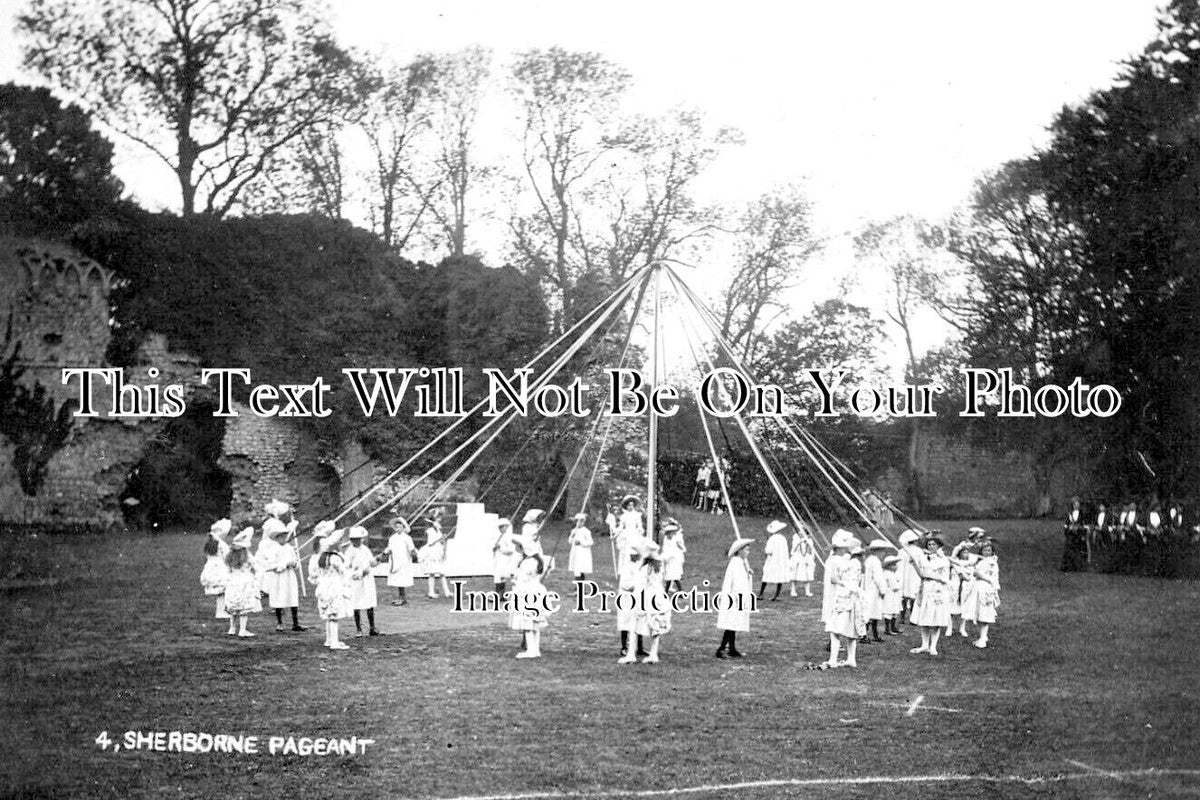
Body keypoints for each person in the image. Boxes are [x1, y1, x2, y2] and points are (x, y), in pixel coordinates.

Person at [625, 538, 672, 664]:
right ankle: (653, 653)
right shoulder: (658, 567)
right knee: (655, 625)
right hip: (657, 598)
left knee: (634, 624)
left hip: (645, 598)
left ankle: (631, 654)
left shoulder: (645, 568)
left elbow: (639, 585)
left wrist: (630, 589)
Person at [823, 530, 863, 668]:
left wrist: (840, 582)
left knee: (835, 630)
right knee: (851, 630)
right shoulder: (854, 563)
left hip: (843, 599)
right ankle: (851, 659)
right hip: (853, 598)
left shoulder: (847, 563)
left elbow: (835, 579)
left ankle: (833, 660)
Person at [261, 517, 306, 633]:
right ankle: (280, 622)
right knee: (278, 597)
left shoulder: (289, 548)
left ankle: (295, 623)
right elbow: (270, 565)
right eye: (281, 536)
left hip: (289, 576)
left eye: (285, 536)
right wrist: (284, 564)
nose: (284, 538)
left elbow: (295, 561)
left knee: (292, 597)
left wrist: (294, 564)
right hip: (279, 577)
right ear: (276, 538)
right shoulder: (272, 549)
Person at [310, 527, 352, 650]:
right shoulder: (335, 558)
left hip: (323, 587)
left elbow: (315, 574)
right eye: (339, 543)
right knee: (334, 615)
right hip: (334, 587)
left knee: (329, 615)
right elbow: (344, 571)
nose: (340, 545)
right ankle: (334, 642)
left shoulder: (321, 558)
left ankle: (329, 640)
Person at [909, 534, 951, 656]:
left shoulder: (944, 560)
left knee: (936, 618)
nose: (931, 546)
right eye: (929, 544)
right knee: (925, 618)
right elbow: (922, 574)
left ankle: (933, 646)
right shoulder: (926, 558)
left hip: (938, 590)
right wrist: (914, 564)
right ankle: (924, 645)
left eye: (934, 544)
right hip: (926, 589)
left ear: (939, 546)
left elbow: (943, 578)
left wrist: (927, 573)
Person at [509, 546, 552, 659]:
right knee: (534, 624)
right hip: (535, 590)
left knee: (527, 623)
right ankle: (535, 649)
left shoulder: (528, 562)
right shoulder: (536, 561)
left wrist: (515, 581)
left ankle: (531, 651)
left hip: (527, 592)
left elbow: (524, 578)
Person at [716, 537, 755, 658]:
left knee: (733, 623)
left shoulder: (738, 562)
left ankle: (732, 648)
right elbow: (738, 583)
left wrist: (748, 575)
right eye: (746, 550)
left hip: (734, 597)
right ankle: (721, 649)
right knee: (731, 623)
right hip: (734, 598)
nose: (748, 552)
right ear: (740, 551)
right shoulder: (736, 563)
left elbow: (742, 580)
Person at [223, 527, 262, 638]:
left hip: (233, 582)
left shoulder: (229, 556)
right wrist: (255, 578)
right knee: (243, 608)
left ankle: (232, 628)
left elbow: (227, 570)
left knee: (234, 607)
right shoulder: (248, 556)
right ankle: (242, 630)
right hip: (245, 582)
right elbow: (258, 568)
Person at [963, 539, 1000, 648]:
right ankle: (983, 636)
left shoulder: (992, 562)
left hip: (986, 590)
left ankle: (983, 639)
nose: (987, 553)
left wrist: (978, 574)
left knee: (984, 614)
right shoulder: (980, 560)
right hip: (977, 588)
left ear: (992, 552)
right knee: (979, 613)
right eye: (985, 550)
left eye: (989, 551)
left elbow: (991, 578)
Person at [346, 526, 379, 637]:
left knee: (369, 602)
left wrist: (376, 560)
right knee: (356, 603)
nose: (357, 541)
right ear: (351, 540)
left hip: (367, 578)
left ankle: (372, 628)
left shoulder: (365, 549)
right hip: (356, 580)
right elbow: (347, 567)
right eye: (355, 539)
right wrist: (357, 573)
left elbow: (371, 562)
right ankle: (358, 629)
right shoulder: (349, 551)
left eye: (359, 539)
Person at [200, 518, 232, 628]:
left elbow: (207, 557)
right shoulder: (221, 544)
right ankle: (221, 611)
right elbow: (227, 557)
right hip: (220, 567)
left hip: (211, 567)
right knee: (223, 590)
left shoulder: (210, 542)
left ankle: (222, 610)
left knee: (221, 591)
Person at [862, 539, 891, 643]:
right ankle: (863, 635)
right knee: (869, 612)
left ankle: (874, 634)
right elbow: (878, 577)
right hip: (873, 590)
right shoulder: (875, 561)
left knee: (873, 613)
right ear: (875, 551)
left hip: (869, 589)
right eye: (882, 551)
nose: (883, 553)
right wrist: (883, 590)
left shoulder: (870, 560)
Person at [384, 517, 417, 606]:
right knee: (397, 580)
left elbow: (411, 548)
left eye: (400, 527)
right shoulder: (393, 538)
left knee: (402, 580)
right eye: (396, 527)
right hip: (395, 561)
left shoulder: (407, 538)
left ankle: (402, 598)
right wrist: (387, 551)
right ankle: (401, 597)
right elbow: (390, 547)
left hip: (404, 561)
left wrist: (413, 554)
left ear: (403, 527)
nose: (398, 529)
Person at [420, 507, 451, 599]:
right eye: (437, 518)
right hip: (432, 552)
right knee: (432, 573)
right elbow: (431, 543)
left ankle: (447, 592)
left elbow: (441, 542)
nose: (439, 520)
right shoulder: (429, 531)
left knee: (442, 573)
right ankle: (431, 592)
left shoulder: (438, 530)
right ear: (433, 520)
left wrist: (443, 539)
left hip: (438, 551)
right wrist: (440, 539)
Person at [758, 520, 790, 601]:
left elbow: (768, 551)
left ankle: (761, 593)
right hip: (781, 561)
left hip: (772, 560)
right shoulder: (783, 538)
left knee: (766, 575)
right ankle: (777, 595)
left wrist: (766, 550)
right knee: (779, 576)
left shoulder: (772, 539)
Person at [897, 529, 923, 624]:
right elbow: (922, 563)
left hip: (903, 575)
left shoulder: (902, 551)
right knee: (913, 595)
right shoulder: (918, 551)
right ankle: (912, 617)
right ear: (915, 541)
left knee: (904, 595)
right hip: (914, 574)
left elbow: (898, 563)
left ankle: (902, 617)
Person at [491, 517, 519, 595]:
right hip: (498, 559)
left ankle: (500, 594)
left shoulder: (509, 537)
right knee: (498, 576)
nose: (501, 528)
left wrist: (501, 547)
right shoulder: (499, 536)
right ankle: (500, 594)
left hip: (505, 559)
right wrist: (494, 548)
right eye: (500, 527)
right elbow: (494, 549)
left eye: (503, 526)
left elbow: (511, 550)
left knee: (501, 576)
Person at [1061, 496, 1087, 572]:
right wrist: (1069, 528)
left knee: (1078, 550)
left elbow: (1085, 525)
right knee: (1069, 550)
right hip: (1070, 535)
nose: (1076, 505)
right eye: (1074, 504)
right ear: (1072, 505)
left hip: (1078, 535)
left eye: (1077, 504)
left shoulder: (1082, 514)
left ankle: (1078, 567)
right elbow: (1066, 525)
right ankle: (1068, 567)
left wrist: (1079, 528)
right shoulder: (1070, 514)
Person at [789, 526, 816, 597]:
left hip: (806, 559)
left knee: (807, 574)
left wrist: (807, 544)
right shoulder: (795, 539)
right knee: (794, 574)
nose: (799, 532)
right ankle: (793, 590)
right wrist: (799, 542)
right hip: (797, 558)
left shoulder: (810, 540)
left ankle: (807, 591)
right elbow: (793, 550)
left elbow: (811, 551)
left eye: (801, 531)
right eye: (799, 531)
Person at [661, 518, 686, 593]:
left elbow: (680, 549)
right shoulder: (666, 540)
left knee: (675, 577)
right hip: (668, 560)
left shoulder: (676, 539)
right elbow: (665, 549)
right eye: (668, 533)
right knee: (669, 577)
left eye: (670, 533)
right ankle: (666, 591)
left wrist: (680, 548)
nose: (669, 535)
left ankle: (680, 591)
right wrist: (665, 557)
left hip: (675, 560)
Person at [567, 512, 594, 582]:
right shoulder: (574, 530)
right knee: (576, 569)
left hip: (582, 553)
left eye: (581, 522)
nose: (578, 523)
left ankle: (579, 588)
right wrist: (572, 537)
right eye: (577, 521)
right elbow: (570, 541)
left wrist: (581, 543)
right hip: (575, 552)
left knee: (580, 569)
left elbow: (590, 542)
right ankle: (579, 588)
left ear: (583, 522)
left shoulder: (586, 531)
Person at [882, 555, 902, 635]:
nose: (896, 566)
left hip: (893, 595)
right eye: (894, 565)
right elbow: (894, 586)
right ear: (888, 566)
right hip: (890, 594)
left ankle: (893, 627)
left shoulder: (891, 573)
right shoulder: (888, 574)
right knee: (889, 611)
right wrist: (899, 584)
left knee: (894, 611)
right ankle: (887, 629)